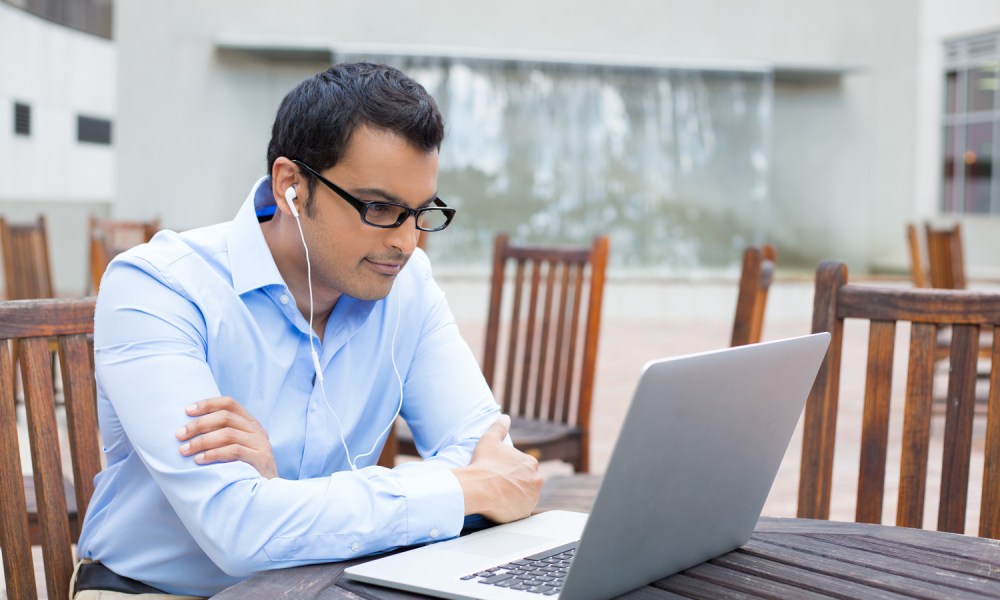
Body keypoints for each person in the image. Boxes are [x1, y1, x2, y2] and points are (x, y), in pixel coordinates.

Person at [73, 62, 543, 599]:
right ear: (292, 185)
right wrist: (459, 490)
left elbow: (496, 463)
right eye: (380, 207)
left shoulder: (407, 287)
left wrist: (281, 498)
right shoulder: (159, 287)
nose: (407, 242)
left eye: (420, 211)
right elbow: (238, 531)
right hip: (158, 591)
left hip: (329, 581)